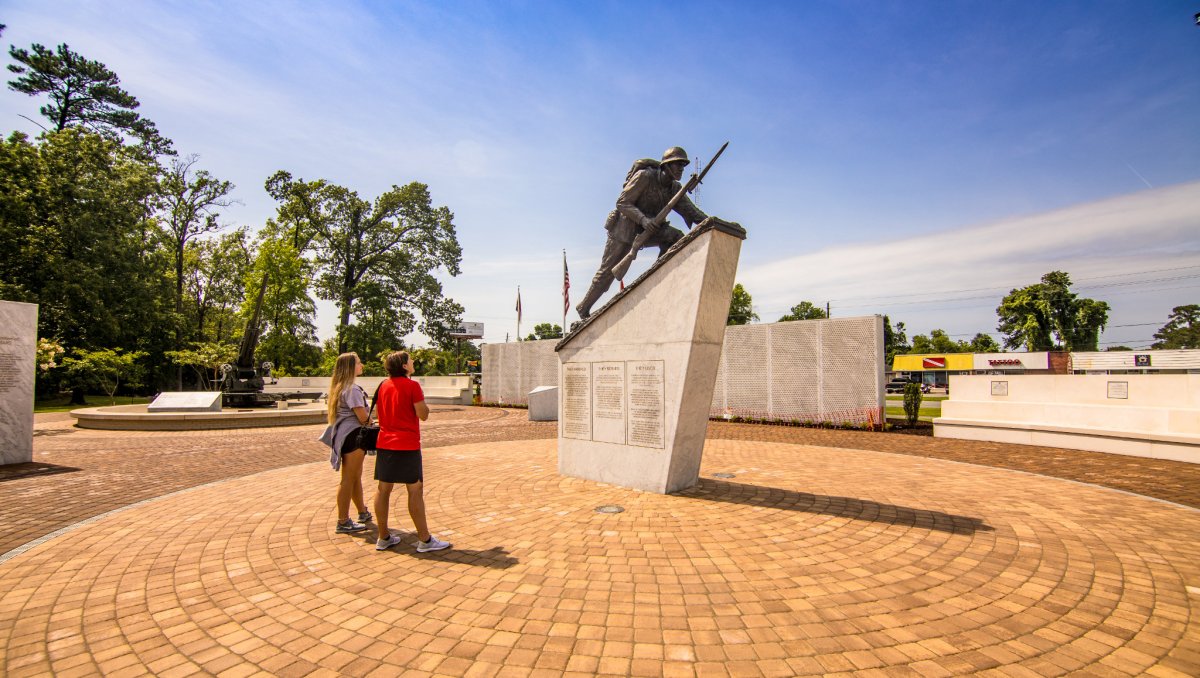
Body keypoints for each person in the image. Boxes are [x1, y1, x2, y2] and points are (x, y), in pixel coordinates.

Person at [575, 146, 709, 319]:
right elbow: (623, 202)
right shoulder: (645, 177)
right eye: (677, 165)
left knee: (675, 238)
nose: (681, 169)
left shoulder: (674, 188)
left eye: (683, 166)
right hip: (624, 230)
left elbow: (693, 213)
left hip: (651, 230)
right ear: (666, 166)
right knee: (606, 274)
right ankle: (584, 308)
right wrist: (644, 220)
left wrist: (713, 223)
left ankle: (655, 276)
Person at [373, 350, 451, 552]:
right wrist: (425, 408)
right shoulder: (412, 386)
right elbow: (422, 414)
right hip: (406, 444)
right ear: (404, 366)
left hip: (385, 444)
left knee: (383, 490)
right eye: (410, 359)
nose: (413, 361)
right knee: (415, 490)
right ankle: (425, 540)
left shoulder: (383, 386)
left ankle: (383, 537)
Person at [318, 352, 373, 534]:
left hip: (345, 435)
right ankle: (343, 520)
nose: (361, 365)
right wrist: (373, 420)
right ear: (351, 367)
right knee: (349, 479)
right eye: (358, 363)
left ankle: (362, 511)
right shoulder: (352, 389)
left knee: (355, 476)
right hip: (354, 436)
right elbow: (363, 417)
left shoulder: (341, 388)